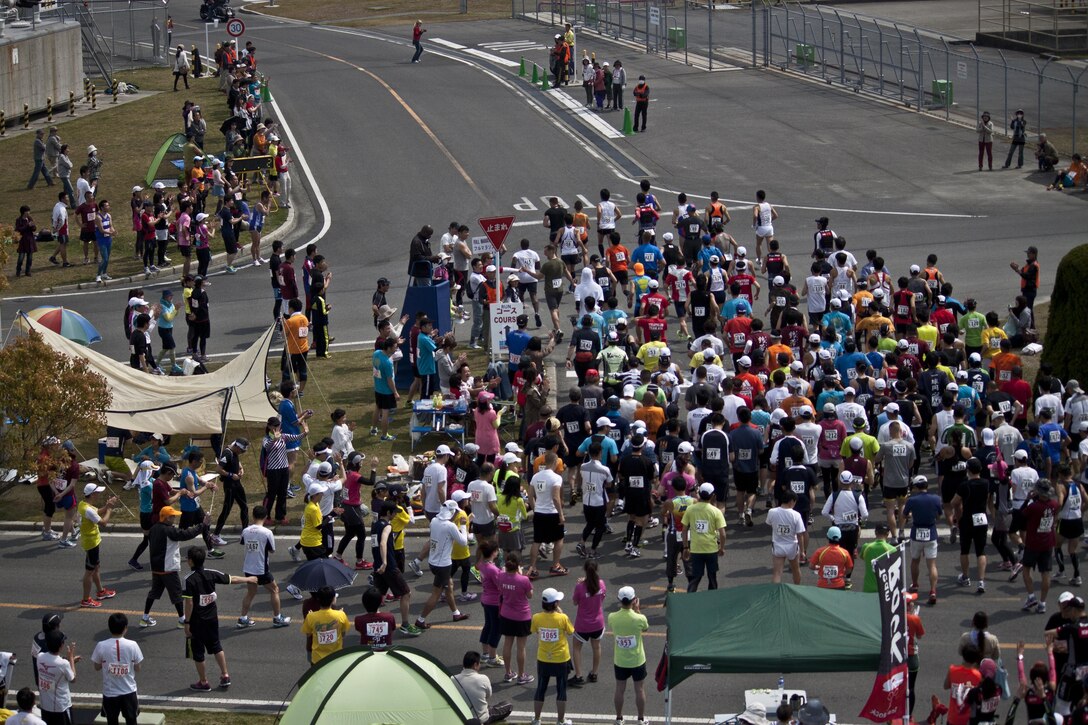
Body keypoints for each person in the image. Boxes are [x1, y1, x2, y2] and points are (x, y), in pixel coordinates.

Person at [183, 546, 255, 690]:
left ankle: (203, 682)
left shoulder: (189, 579)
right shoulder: (211, 573)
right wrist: (249, 578)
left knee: (198, 653)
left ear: (190, 561)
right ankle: (225, 675)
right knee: (216, 646)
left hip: (197, 622)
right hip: (212, 619)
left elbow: (189, 602)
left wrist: (187, 622)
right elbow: (231, 579)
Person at [413, 499, 471, 630]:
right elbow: (463, 542)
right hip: (443, 565)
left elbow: (443, 531)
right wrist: (462, 525)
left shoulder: (434, 521)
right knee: (436, 593)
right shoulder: (450, 526)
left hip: (433, 562)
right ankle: (420, 620)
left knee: (449, 586)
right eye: (456, 512)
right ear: (452, 513)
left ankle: (456, 613)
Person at [372, 501, 422, 636]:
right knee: (406, 593)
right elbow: (383, 543)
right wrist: (385, 562)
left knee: (378, 596)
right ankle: (405, 625)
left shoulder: (375, 525)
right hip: (388, 566)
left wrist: (379, 563)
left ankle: (372, 624)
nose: (395, 515)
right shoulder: (387, 526)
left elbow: (374, 545)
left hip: (378, 566)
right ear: (388, 513)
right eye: (394, 513)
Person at [237, 506, 291, 629]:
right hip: (261, 568)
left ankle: (243, 618)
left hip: (248, 568)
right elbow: (272, 550)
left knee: (251, 593)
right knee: (274, 590)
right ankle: (277, 618)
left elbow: (242, 542)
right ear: (266, 517)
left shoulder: (245, 531)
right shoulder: (267, 533)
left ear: (253, 516)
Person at [530, 587, 575, 725]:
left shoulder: (537, 617)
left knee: (541, 688)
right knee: (561, 689)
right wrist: (560, 613)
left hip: (543, 658)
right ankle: (561, 720)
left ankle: (537, 719)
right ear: (555, 604)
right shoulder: (562, 618)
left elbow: (535, 631)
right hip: (561, 658)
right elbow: (571, 631)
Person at [90, 613, 143, 725]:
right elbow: (138, 668)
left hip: (110, 692)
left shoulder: (101, 645)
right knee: (131, 720)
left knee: (112, 721)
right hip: (129, 690)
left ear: (109, 628)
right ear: (125, 628)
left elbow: (96, 667)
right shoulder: (133, 645)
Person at [608, 585, 649, 725]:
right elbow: (646, 628)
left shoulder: (612, 617)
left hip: (620, 661)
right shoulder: (639, 618)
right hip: (637, 660)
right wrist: (637, 611)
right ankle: (641, 719)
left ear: (619, 600)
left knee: (619, 689)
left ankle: (619, 718)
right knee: (639, 689)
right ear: (634, 600)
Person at [79, 483, 119, 608]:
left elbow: (97, 512)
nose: (99, 494)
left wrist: (107, 506)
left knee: (96, 567)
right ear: (92, 494)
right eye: (97, 492)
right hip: (91, 543)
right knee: (89, 571)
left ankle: (101, 591)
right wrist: (110, 509)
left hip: (91, 541)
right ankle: (86, 599)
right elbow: (103, 522)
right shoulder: (88, 509)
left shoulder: (83, 504)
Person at [682, 483, 727, 592]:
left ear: (699, 494)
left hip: (696, 549)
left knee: (696, 577)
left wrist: (686, 547)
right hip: (711, 549)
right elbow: (722, 533)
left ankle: (690, 598)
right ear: (713, 496)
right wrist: (721, 547)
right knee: (712, 577)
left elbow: (684, 530)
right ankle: (711, 600)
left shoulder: (690, 509)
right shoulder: (716, 511)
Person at [904, 476, 943, 605]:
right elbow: (939, 515)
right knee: (931, 564)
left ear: (916, 487)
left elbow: (905, 515)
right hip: (931, 533)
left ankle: (915, 584)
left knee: (915, 561)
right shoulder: (936, 499)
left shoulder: (912, 500)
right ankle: (932, 591)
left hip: (916, 533)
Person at [497, 552, 535, 685]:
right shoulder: (523, 580)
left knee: (507, 643)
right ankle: (521, 675)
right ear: (519, 565)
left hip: (506, 614)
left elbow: (500, 589)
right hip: (522, 616)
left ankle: (508, 673)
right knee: (521, 647)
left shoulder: (501, 576)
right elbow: (530, 595)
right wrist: (522, 575)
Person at [570, 559, 606, 686]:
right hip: (598, 623)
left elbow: (575, 602)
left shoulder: (580, 587)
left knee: (576, 647)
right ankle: (594, 673)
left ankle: (579, 676)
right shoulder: (601, 584)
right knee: (596, 647)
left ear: (585, 570)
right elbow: (602, 598)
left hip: (583, 625)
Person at [453, 651, 513, 725]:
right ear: (475, 665)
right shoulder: (483, 678)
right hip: (481, 719)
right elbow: (488, 695)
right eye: (479, 664)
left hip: (462, 717)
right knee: (508, 705)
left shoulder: (453, 679)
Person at [36, 630, 78, 725]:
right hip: (61, 707)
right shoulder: (63, 664)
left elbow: (53, 666)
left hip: (45, 706)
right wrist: (71, 658)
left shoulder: (40, 657)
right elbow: (73, 679)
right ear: (61, 645)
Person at [301, 586, 350, 665]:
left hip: (317, 658)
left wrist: (309, 617)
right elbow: (343, 634)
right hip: (335, 656)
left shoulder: (310, 616)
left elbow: (308, 634)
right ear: (333, 599)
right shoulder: (341, 615)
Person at [766, 490, 805, 585]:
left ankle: (775, 593)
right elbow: (800, 534)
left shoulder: (772, 512)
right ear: (791, 501)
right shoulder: (796, 515)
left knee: (777, 573)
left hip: (778, 545)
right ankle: (797, 589)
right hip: (792, 546)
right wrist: (802, 551)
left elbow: (769, 523)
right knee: (796, 570)